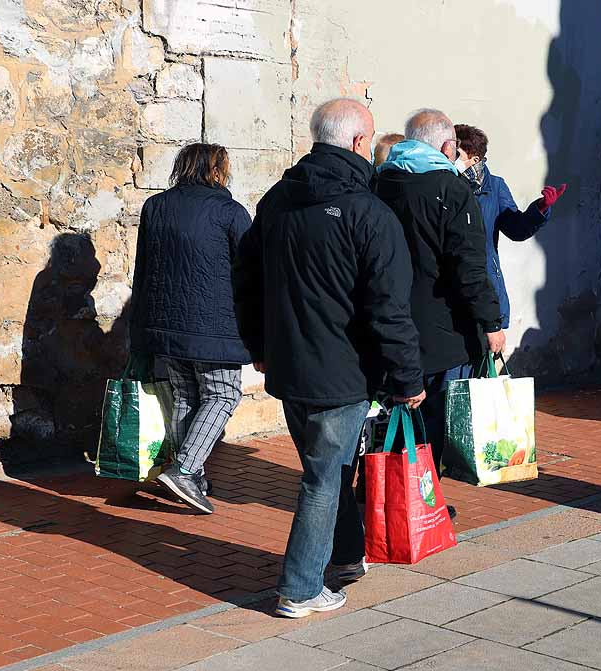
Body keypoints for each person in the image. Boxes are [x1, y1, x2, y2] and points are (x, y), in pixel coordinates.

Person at [233, 98, 425, 617]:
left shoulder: (278, 201)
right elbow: (389, 307)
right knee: (323, 477)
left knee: (329, 468)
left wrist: (260, 347)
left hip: (292, 363)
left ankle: (342, 556)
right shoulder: (368, 213)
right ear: (361, 143)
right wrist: (408, 378)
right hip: (341, 370)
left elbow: (246, 283)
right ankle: (299, 587)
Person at [375, 108, 504, 517]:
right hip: (439, 328)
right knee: (430, 419)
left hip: (384, 321)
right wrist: (491, 322)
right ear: (448, 147)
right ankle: (420, 501)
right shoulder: (451, 189)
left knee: (390, 410)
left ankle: (378, 491)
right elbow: (469, 265)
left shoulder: (380, 182)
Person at [130, 143, 252, 515]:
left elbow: (143, 268)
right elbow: (250, 271)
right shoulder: (230, 212)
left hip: (165, 324)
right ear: (219, 170)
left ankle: (191, 477)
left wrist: (141, 329)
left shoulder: (156, 206)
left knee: (186, 397)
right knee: (222, 395)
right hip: (215, 327)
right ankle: (184, 471)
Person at [454, 123, 565, 330]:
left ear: (474, 158)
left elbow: (516, 228)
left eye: (456, 152)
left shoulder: (494, 187)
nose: (449, 156)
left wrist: (540, 208)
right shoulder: (445, 184)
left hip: (484, 284)